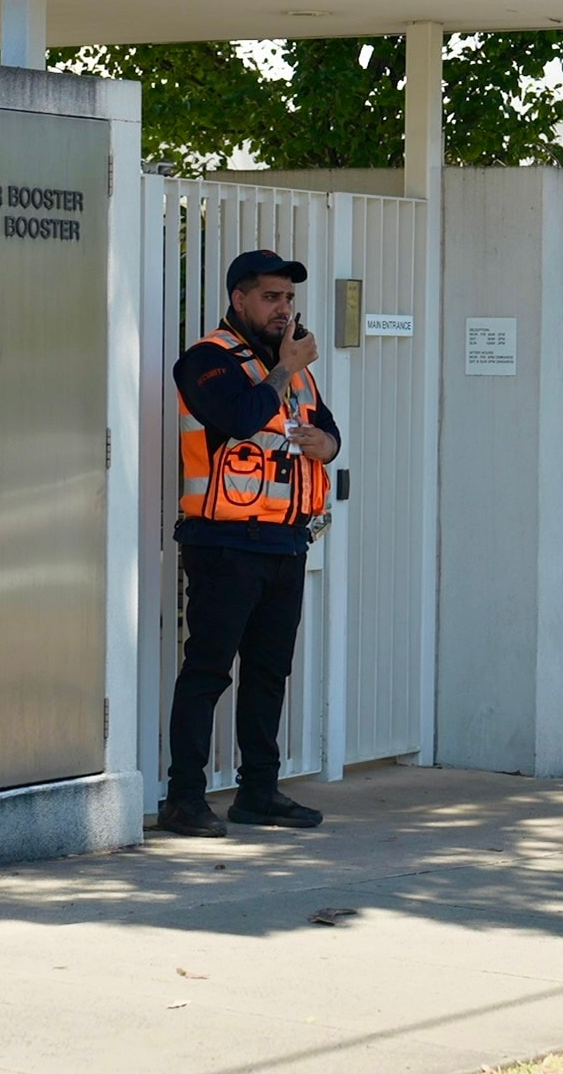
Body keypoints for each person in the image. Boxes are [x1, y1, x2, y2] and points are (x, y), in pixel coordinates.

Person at [158, 249, 341, 838]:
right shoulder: (207, 360)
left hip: (285, 544)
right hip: (224, 544)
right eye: (270, 297)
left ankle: (258, 792)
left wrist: (326, 446)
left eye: (288, 298)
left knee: (268, 674)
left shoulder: (294, 367)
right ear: (239, 299)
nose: (283, 309)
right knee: (208, 671)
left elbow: (328, 431)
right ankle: (183, 798)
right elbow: (238, 418)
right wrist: (283, 369)